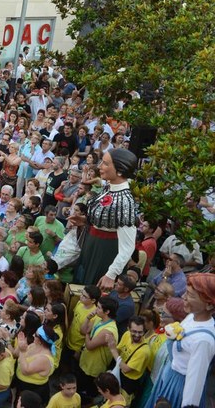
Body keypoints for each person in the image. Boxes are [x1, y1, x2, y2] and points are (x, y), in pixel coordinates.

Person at [143, 273, 215, 408]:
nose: (183, 297)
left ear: (209, 305)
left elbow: (195, 382)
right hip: (169, 375)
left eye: (190, 295)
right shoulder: (191, 317)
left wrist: (188, 405)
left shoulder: (204, 340)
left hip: (178, 386)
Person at [78, 149, 138, 290]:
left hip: (105, 253)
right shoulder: (109, 187)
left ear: (120, 171)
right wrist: (84, 220)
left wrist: (111, 274)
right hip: (92, 245)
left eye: (105, 163)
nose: (99, 167)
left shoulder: (125, 200)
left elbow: (128, 246)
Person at [107, 316, 150, 404]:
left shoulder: (144, 351)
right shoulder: (126, 335)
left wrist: (112, 350)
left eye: (140, 332)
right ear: (128, 329)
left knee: (121, 403)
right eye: (134, 331)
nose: (137, 335)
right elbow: (119, 350)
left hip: (128, 383)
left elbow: (126, 369)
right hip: (118, 373)